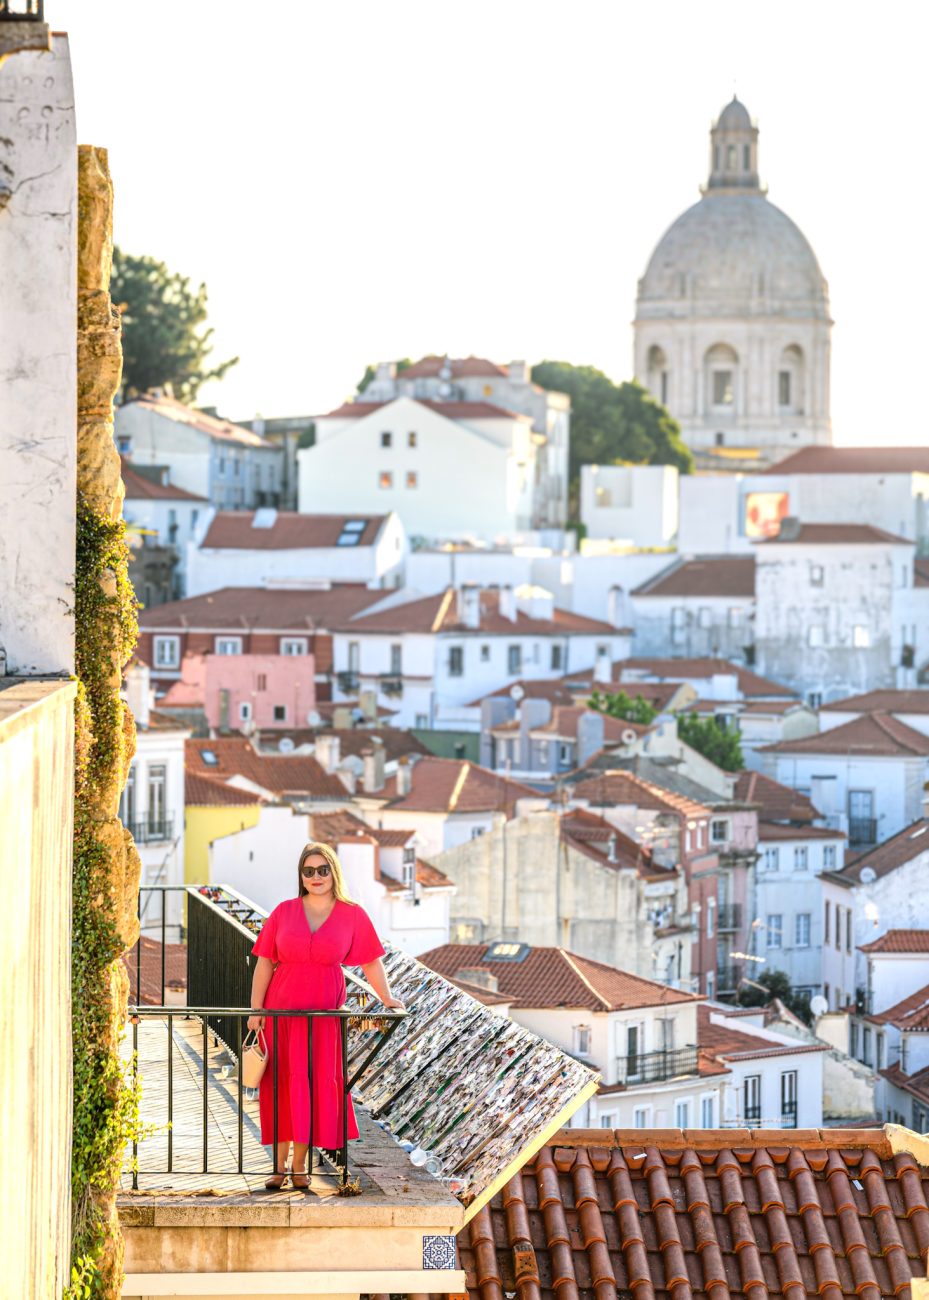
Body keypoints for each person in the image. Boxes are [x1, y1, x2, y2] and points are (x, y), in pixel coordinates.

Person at [246, 841, 404, 1189]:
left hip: (322, 1019)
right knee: (280, 1086)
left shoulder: (352, 914)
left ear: (334, 872)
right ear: (300, 876)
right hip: (280, 1015)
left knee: (308, 1086)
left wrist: (387, 997)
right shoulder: (283, 911)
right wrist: (256, 1010)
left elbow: (371, 961)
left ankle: (300, 1166)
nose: (315, 877)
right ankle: (277, 1166)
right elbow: (263, 963)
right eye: (308, 871)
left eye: (322, 870)